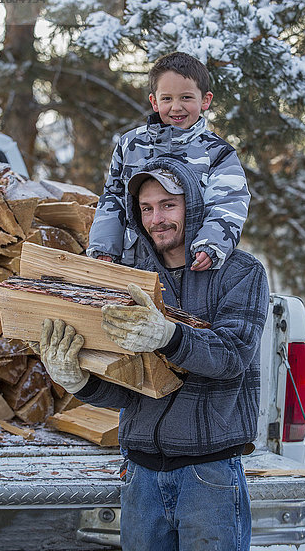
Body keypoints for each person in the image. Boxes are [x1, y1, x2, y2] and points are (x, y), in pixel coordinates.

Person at [40, 159, 269, 551]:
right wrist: (79, 381)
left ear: (193, 206)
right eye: (146, 208)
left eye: (167, 205)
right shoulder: (131, 278)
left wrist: (169, 335)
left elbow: (233, 355)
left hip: (208, 475)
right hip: (141, 477)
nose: (156, 218)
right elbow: (129, 390)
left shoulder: (240, 273)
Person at [87, 51, 250, 271]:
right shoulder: (130, 145)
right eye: (167, 98)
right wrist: (105, 248)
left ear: (205, 100)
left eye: (186, 97)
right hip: (134, 261)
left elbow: (229, 203)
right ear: (154, 102)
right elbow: (113, 198)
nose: (176, 107)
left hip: (188, 265)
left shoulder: (217, 152)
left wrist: (212, 245)